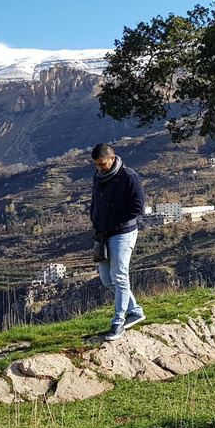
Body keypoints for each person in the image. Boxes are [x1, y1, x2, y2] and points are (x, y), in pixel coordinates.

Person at [90, 143, 146, 341]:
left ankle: (118, 322)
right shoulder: (98, 177)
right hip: (103, 234)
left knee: (120, 276)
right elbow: (95, 201)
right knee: (107, 279)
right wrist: (96, 220)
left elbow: (138, 206)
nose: (99, 168)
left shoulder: (129, 177)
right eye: (96, 165)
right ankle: (135, 310)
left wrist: (116, 220)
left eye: (102, 164)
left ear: (112, 158)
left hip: (123, 233)